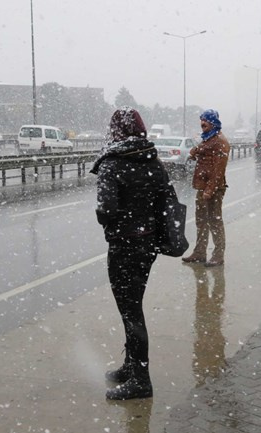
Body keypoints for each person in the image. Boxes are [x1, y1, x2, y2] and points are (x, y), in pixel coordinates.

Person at [90, 107, 168, 400]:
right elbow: (165, 204)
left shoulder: (112, 164)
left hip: (123, 247)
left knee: (131, 312)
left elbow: (105, 211)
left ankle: (141, 380)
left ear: (116, 131)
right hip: (147, 246)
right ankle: (131, 365)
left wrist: (112, 218)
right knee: (134, 306)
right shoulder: (153, 160)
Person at [182, 109, 230, 267]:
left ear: (213, 122)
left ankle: (218, 254)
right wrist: (196, 150)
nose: (202, 123)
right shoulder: (208, 138)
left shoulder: (220, 141)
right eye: (202, 120)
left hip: (213, 188)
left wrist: (210, 189)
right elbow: (204, 151)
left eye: (206, 121)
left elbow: (218, 170)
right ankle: (200, 252)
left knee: (215, 221)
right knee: (201, 220)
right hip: (202, 186)